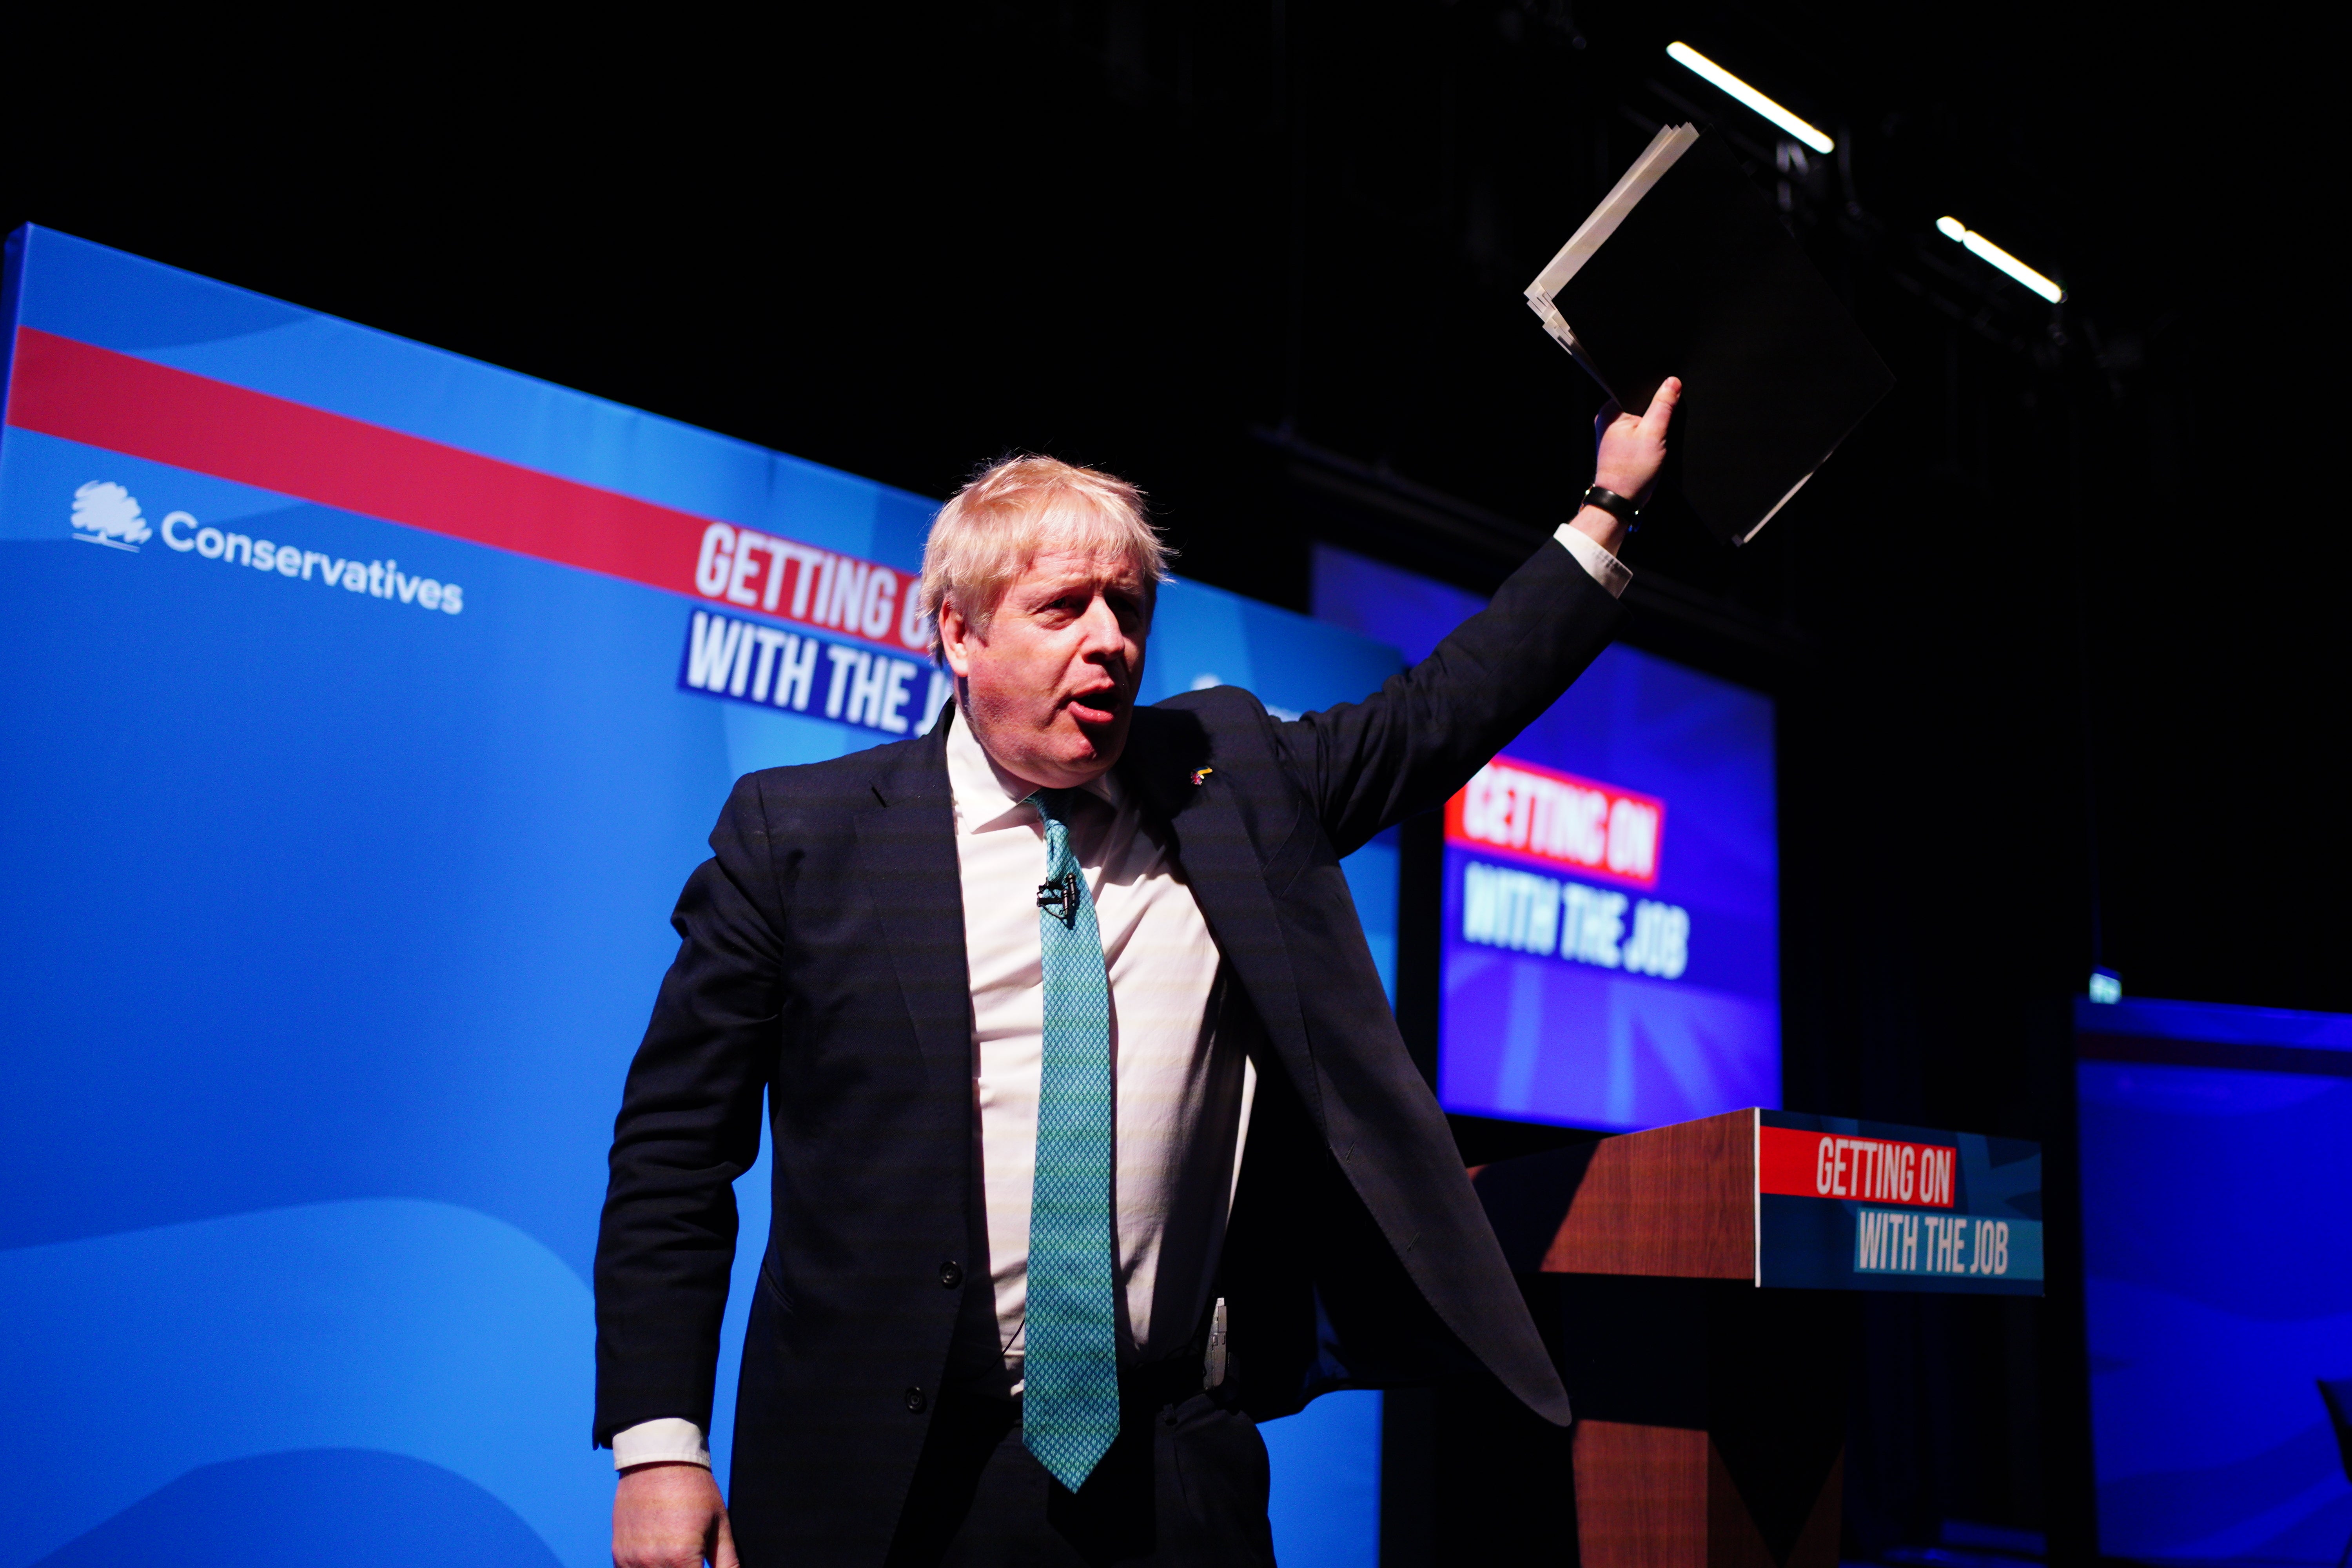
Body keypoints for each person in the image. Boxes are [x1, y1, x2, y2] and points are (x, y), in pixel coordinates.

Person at [596, 379, 1682, 1567]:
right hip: (878, 1481)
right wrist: (662, 1443)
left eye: (1128, 608)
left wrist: (1607, 509)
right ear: (959, 633)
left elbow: (1443, 710)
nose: (1109, 639)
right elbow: (673, 1157)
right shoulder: (799, 837)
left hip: (1171, 1471)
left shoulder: (1232, 783)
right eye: (1064, 607)